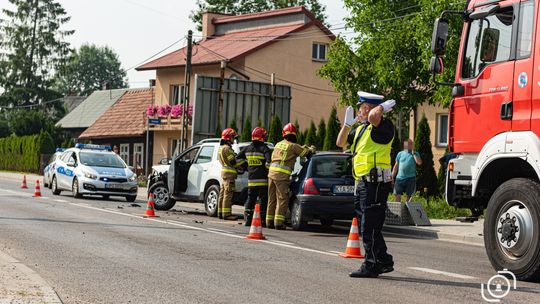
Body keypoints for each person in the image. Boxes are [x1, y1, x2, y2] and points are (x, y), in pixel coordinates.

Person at [336, 91, 396, 278]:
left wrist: (381, 107)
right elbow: (340, 142)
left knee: (369, 226)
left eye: (361, 107)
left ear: (369, 108)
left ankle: (371, 265)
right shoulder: (362, 129)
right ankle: (383, 260)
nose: (359, 112)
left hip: (376, 183)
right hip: (362, 183)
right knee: (368, 225)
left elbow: (373, 117)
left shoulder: (383, 127)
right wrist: (347, 125)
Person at [267, 123, 315, 230]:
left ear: (284, 134)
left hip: (271, 174)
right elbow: (305, 153)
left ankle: (269, 221)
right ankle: (278, 223)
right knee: (282, 199)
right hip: (281, 176)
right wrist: (311, 149)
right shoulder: (293, 146)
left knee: (272, 199)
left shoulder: (278, 144)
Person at [236, 127, 272, 226]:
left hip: (251, 181)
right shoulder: (265, 149)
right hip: (263, 181)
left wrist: (246, 167)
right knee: (263, 200)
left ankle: (248, 220)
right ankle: (262, 221)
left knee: (250, 199)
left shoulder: (247, 149)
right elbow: (269, 164)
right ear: (262, 137)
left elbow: (236, 161)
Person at [217, 128, 245, 220]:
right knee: (228, 194)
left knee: (222, 193)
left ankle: (220, 212)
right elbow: (233, 162)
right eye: (233, 137)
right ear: (228, 138)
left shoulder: (221, 148)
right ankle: (227, 214)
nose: (234, 139)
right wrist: (243, 162)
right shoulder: (227, 149)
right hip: (229, 174)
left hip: (224, 173)